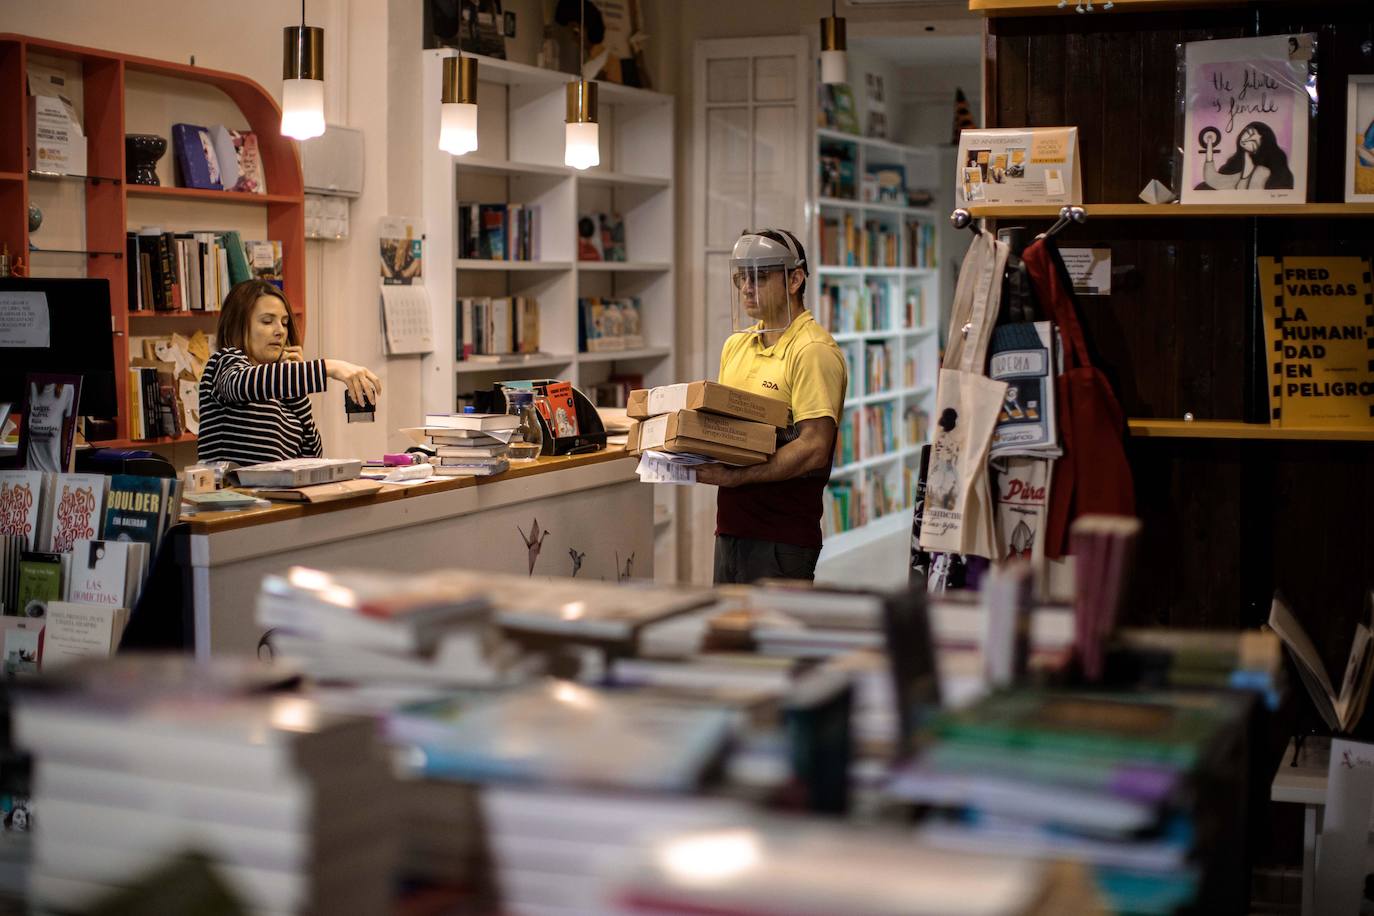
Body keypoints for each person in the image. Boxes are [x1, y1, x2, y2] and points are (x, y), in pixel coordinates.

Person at [696, 229, 848, 584]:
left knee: (774, 639)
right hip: (731, 528)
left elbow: (814, 449)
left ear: (795, 279)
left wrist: (734, 477)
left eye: (759, 277)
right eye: (741, 278)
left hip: (782, 537)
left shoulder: (813, 351)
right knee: (728, 637)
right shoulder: (736, 344)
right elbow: (728, 430)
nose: (747, 287)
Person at [197, 280, 380, 467]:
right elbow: (238, 384)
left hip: (276, 494)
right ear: (238, 324)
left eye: (284, 323)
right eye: (267, 321)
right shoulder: (225, 361)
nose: (280, 331)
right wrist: (327, 367)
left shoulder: (281, 387)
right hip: (229, 493)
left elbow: (311, 456)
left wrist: (298, 393)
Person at [1201, 121, 1294, 191]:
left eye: (1253, 142)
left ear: (1260, 149)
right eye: (1248, 133)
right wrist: (1209, 144)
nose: (1246, 140)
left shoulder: (1262, 172)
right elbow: (1213, 180)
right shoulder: (1236, 168)